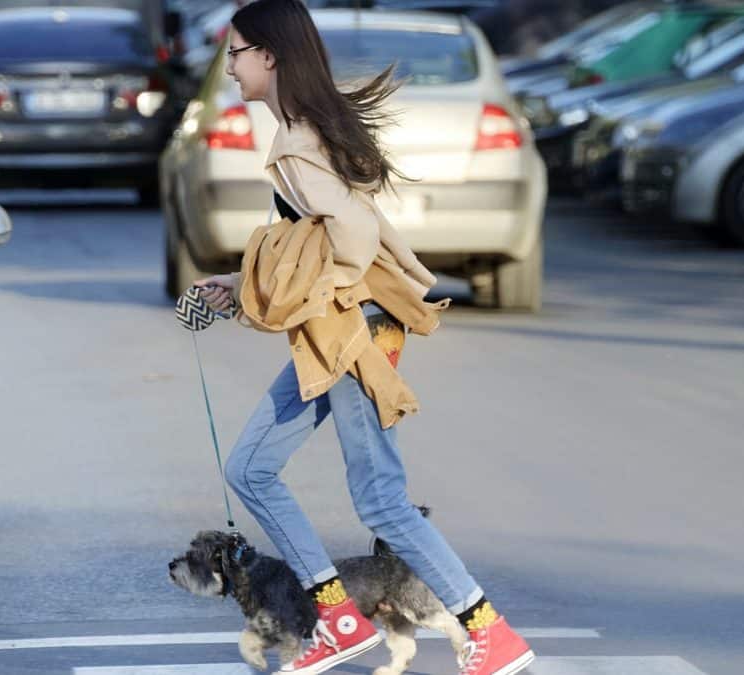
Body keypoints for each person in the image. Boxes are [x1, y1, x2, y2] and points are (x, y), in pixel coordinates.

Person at [194, 1, 534, 673]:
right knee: (251, 468)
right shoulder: (302, 131)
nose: (228, 67)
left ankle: (485, 631)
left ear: (268, 54)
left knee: (379, 495)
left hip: (353, 329)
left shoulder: (296, 140)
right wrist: (240, 285)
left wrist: (325, 294)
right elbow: (311, 241)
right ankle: (339, 614)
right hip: (345, 326)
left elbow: (351, 236)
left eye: (234, 53)